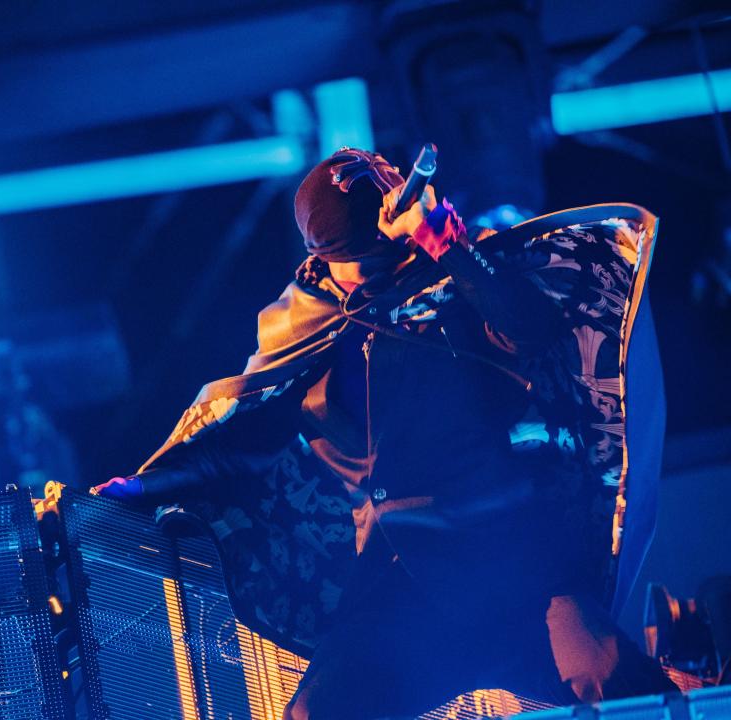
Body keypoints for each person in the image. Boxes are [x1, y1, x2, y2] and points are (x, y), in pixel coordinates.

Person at [93, 148, 675, 718]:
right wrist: (143, 488)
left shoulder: (450, 286)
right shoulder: (300, 323)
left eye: (382, 251)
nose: (376, 269)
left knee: (617, 681)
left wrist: (450, 246)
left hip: (515, 570)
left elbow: (530, 328)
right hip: (403, 589)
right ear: (321, 259)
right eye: (359, 260)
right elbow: (238, 437)